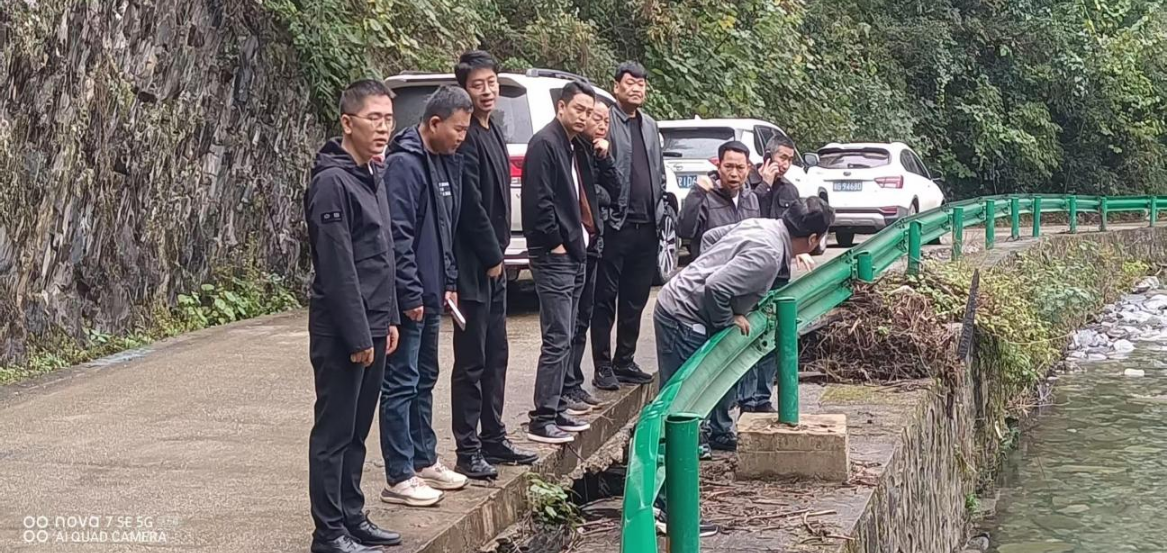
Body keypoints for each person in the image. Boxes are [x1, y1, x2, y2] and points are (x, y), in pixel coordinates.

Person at [650, 198, 833, 534]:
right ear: (812, 239)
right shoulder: (768, 254)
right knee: (681, 414)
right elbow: (716, 287)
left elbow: (710, 239)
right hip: (683, 317)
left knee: (679, 412)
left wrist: (707, 271)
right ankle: (667, 511)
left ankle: (663, 503)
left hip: (677, 306)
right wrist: (728, 320)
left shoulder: (763, 225)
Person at [305, 79, 403, 553]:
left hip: (374, 323)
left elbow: (383, 254)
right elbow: (338, 267)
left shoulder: (371, 174)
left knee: (358, 431)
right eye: (374, 119)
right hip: (343, 330)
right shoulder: (331, 182)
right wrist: (359, 335)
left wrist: (390, 318)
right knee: (335, 432)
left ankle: (351, 515)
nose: (383, 128)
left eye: (389, 119)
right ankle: (328, 533)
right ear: (348, 123)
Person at [380, 86, 472, 506]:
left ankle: (424, 459)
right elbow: (398, 235)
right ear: (434, 123)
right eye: (457, 129)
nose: (462, 137)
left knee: (425, 376)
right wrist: (410, 292)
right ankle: (399, 474)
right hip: (411, 296)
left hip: (435, 292)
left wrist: (449, 280)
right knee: (401, 381)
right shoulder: (405, 163)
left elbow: (445, 229)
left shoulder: (445, 161)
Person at [449, 51, 538, 480]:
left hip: (497, 262)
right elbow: (471, 206)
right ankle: (467, 448)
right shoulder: (466, 137)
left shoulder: (494, 129)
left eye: (491, 83)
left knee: (496, 353)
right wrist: (489, 256)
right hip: (473, 265)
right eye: (477, 85)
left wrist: (499, 256)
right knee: (471, 360)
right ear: (464, 89)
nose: (487, 92)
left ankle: (493, 435)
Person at [522, 81, 598, 444]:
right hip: (555, 254)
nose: (584, 117)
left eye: (589, 111)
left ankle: (556, 406)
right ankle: (543, 417)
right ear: (561, 107)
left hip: (575, 249)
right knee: (556, 337)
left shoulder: (572, 144)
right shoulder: (545, 143)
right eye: (578, 109)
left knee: (568, 333)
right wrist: (555, 243)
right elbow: (538, 200)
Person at [590, 61, 664, 390]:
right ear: (616, 86)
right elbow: (597, 171)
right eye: (630, 83)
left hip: (647, 225)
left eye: (641, 84)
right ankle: (602, 365)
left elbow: (657, 171)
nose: (636, 88)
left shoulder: (649, 125)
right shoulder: (606, 120)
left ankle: (625, 359)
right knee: (605, 298)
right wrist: (606, 211)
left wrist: (660, 208)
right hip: (616, 225)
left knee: (635, 298)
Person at [737, 133, 814, 413]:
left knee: (772, 334)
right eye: (782, 158)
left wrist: (801, 249)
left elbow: (796, 226)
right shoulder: (748, 183)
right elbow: (746, 220)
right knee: (749, 335)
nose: (785, 164)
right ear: (768, 157)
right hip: (753, 269)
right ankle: (745, 398)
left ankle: (761, 396)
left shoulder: (790, 191)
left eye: (790, 160)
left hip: (779, 272)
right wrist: (765, 186)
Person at [562, 103, 621, 409]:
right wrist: (601, 196)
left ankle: (574, 382)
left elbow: (616, 191)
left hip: (594, 244)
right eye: (596, 118)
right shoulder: (569, 148)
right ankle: (563, 387)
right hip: (572, 246)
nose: (600, 124)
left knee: (584, 316)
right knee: (568, 322)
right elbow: (583, 194)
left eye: (605, 121)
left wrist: (606, 158)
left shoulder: (595, 152)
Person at [677, 140, 762, 260]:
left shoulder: (752, 199)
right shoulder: (705, 196)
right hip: (710, 268)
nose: (734, 173)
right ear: (718, 167)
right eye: (728, 167)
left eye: (740, 168)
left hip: (743, 268)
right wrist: (696, 194)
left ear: (748, 169)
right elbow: (684, 231)